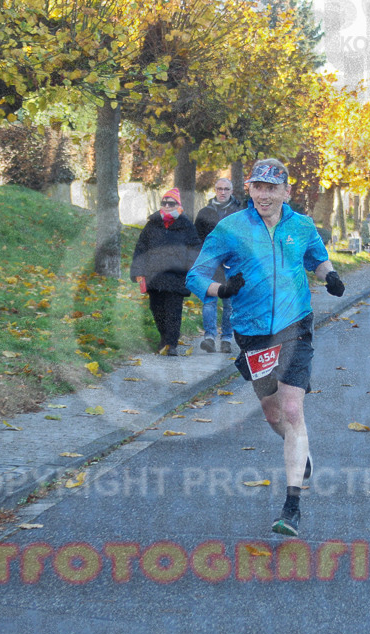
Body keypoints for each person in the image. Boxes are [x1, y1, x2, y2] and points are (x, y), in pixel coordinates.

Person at [186, 159, 345, 538]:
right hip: (253, 333)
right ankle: (300, 447)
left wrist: (331, 276)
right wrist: (221, 290)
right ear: (251, 190)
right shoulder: (231, 228)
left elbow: (317, 259)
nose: (264, 194)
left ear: (286, 192)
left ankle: (292, 507)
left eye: (272, 188)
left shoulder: (301, 226)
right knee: (274, 416)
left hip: (295, 327)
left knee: (292, 408)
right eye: (258, 186)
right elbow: (196, 275)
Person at [130, 188, 201, 356]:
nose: (167, 206)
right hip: (154, 275)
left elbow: (195, 249)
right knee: (156, 309)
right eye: (164, 203)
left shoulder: (186, 225)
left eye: (172, 203)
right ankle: (164, 338)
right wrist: (138, 271)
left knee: (173, 312)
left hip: (177, 276)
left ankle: (172, 344)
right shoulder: (152, 223)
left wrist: (190, 269)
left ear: (178, 205)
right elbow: (141, 248)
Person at [194, 178, 241, 354]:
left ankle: (227, 339)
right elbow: (196, 238)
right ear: (215, 190)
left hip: (231, 266)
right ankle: (209, 337)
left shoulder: (239, 213)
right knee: (209, 302)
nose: (223, 192)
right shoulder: (204, 212)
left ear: (232, 190)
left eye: (226, 189)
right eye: (220, 189)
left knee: (229, 304)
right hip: (210, 265)